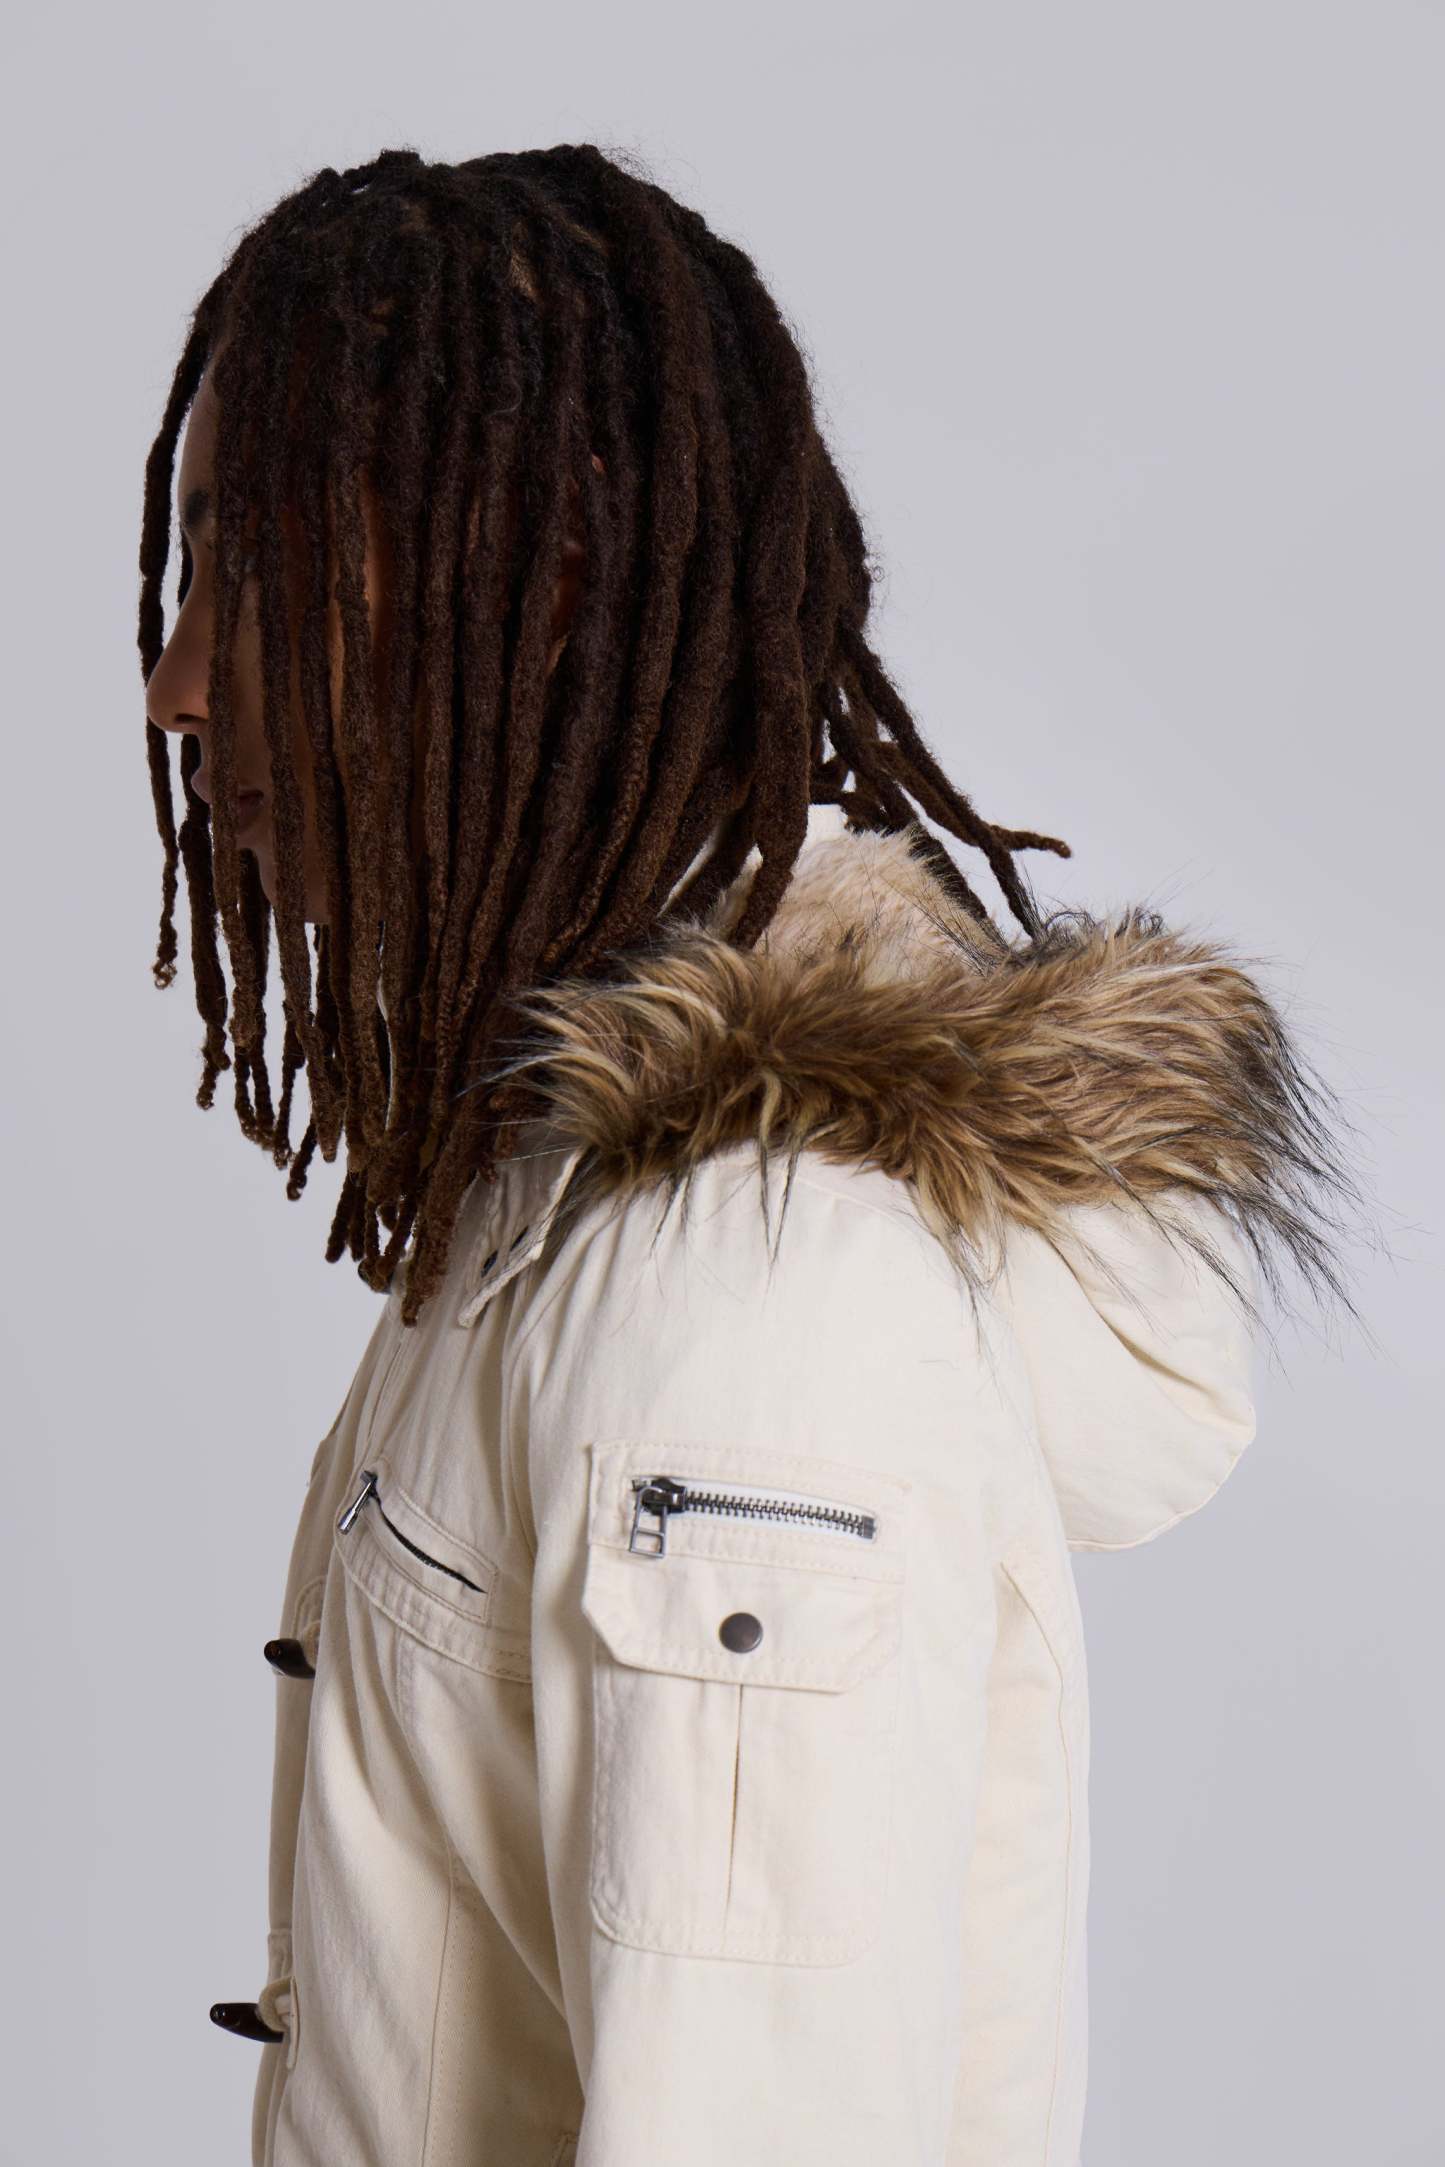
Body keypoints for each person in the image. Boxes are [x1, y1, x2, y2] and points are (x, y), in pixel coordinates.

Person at [139, 144, 1358, 2167]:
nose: (179, 683)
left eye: (250, 568)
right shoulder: (560, 1189)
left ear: (537, 582)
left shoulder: (745, 1300)